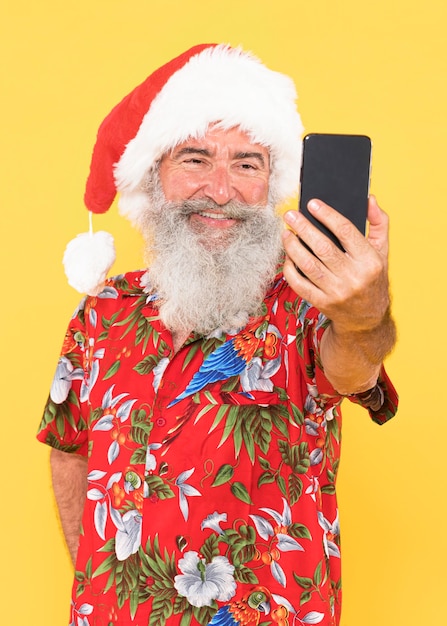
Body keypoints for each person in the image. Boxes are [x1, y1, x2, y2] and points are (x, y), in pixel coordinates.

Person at [37, 44, 398, 626]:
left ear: (270, 184)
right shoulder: (102, 312)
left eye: (247, 164)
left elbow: (354, 363)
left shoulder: (307, 305)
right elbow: (68, 446)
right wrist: (98, 587)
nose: (221, 190)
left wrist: (362, 308)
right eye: (196, 159)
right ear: (155, 175)